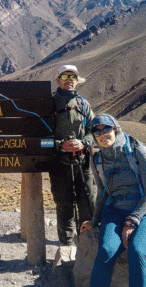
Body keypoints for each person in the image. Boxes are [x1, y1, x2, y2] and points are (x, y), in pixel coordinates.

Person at [80, 114, 146, 287]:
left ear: (115, 129)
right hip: (115, 211)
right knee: (106, 251)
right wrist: (94, 220)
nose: (102, 134)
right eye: (97, 131)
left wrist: (132, 220)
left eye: (106, 129)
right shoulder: (97, 158)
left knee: (137, 250)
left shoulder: (136, 149)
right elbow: (102, 191)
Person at [50, 64, 96, 249]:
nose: (69, 80)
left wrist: (83, 142)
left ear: (78, 81)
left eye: (73, 77)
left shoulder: (84, 104)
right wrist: (60, 145)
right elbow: (40, 136)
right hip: (59, 163)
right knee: (64, 205)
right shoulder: (50, 104)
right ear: (58, 80)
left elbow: (94, 131)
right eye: (65, 76)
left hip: (83, 163)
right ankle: (66, 247)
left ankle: (87, 247)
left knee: (87, 203)